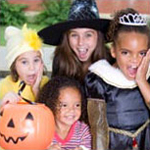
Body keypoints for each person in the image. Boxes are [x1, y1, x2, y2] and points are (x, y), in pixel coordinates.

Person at [85, 8, 150, 150]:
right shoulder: (100, 79)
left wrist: (142, 81)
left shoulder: (147, 77)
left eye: (142, 53)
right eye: (126, 52)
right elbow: (98, 129)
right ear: (114, 51)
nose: (135, 60)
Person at [38, 0, 110, 83]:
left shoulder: (109, 60)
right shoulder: (61, 60)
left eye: (88, 35)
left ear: (98, 37)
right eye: (74, 35)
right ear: (67, 37)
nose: (81, 42)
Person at [37, 76, 91, 150]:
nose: (71, 110)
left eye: (77, 105)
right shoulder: (43, 130)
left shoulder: (83, 131)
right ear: (51, 105)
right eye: (64, 105)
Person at [0, 24, 49, 105]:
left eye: (36, 60)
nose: (32, 67)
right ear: (14, 65)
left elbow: (48, 113)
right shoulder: (4, 86)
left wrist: (36, 90)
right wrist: (2, 103)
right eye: (24, 62)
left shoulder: (46, 83)